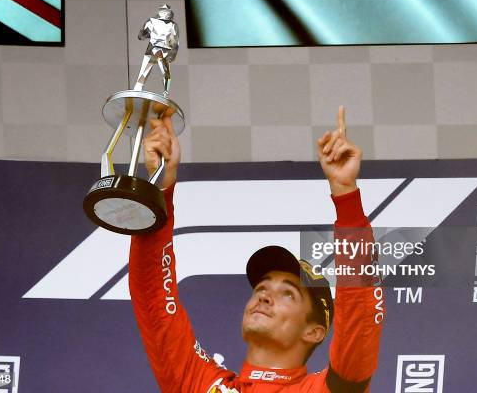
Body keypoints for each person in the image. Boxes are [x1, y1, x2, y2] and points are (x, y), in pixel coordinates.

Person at [129, 106, 384, 392]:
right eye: (262, 287)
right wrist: (160, 186)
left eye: (289, 292)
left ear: (313, 332)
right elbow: (154, 300)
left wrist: (346, 196)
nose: (264, 296)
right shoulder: (203, 385)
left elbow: (360, 321)